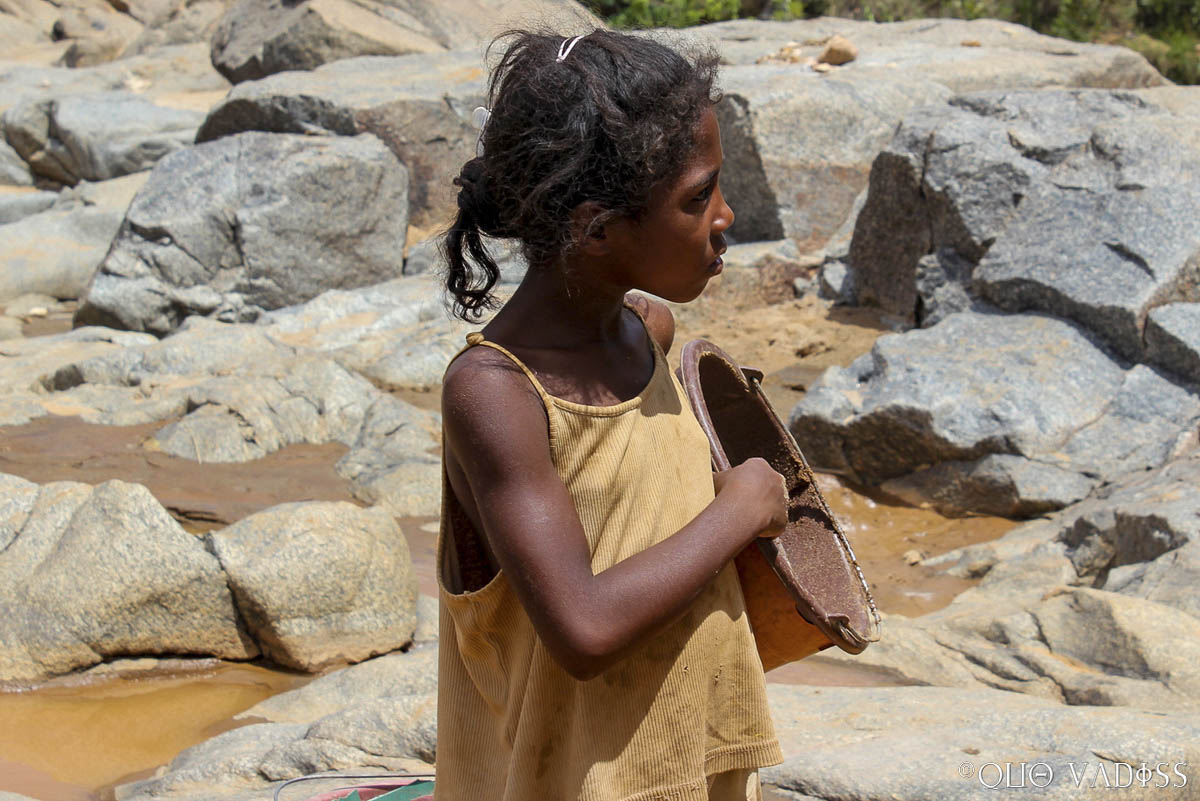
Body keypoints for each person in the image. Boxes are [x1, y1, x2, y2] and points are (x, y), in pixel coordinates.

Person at [434, 28, 789, 801]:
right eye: (697, 197)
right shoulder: (496, 393)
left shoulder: (646, 334)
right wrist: (740, 510)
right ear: (596, 229)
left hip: (697, 766)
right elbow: (584, 628)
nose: (725, 215)